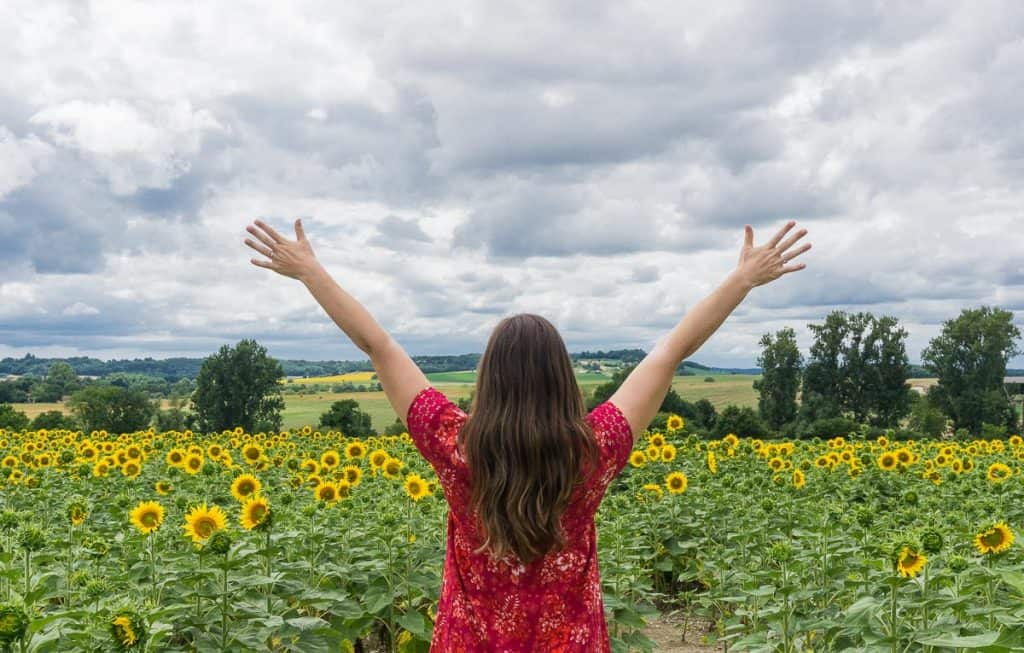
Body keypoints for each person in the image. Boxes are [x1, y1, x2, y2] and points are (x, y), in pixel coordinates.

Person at [244, 217, 811, 652]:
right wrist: (741, 281)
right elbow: (671, 351)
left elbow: (380, 347)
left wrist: (311, 273)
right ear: (564, 379)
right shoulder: (594, 448)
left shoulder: (454, 446)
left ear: (488, 379)